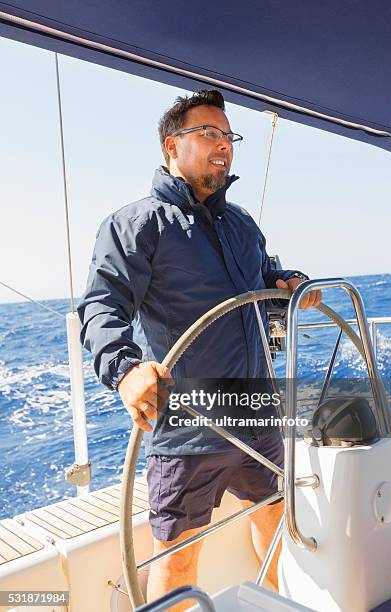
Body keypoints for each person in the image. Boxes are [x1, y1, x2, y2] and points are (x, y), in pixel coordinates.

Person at [78, 89, 321, 610]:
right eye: (208, 133)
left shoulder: (242, 225)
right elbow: (101, 307)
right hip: (191, 424)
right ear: (172, 145)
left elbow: (260, 283)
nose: (223, 146)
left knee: (275, 522)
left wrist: (285, 285)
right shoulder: (136, 225)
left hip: (256, 413)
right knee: (180, 557)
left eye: (228, 136)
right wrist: (124, 372)